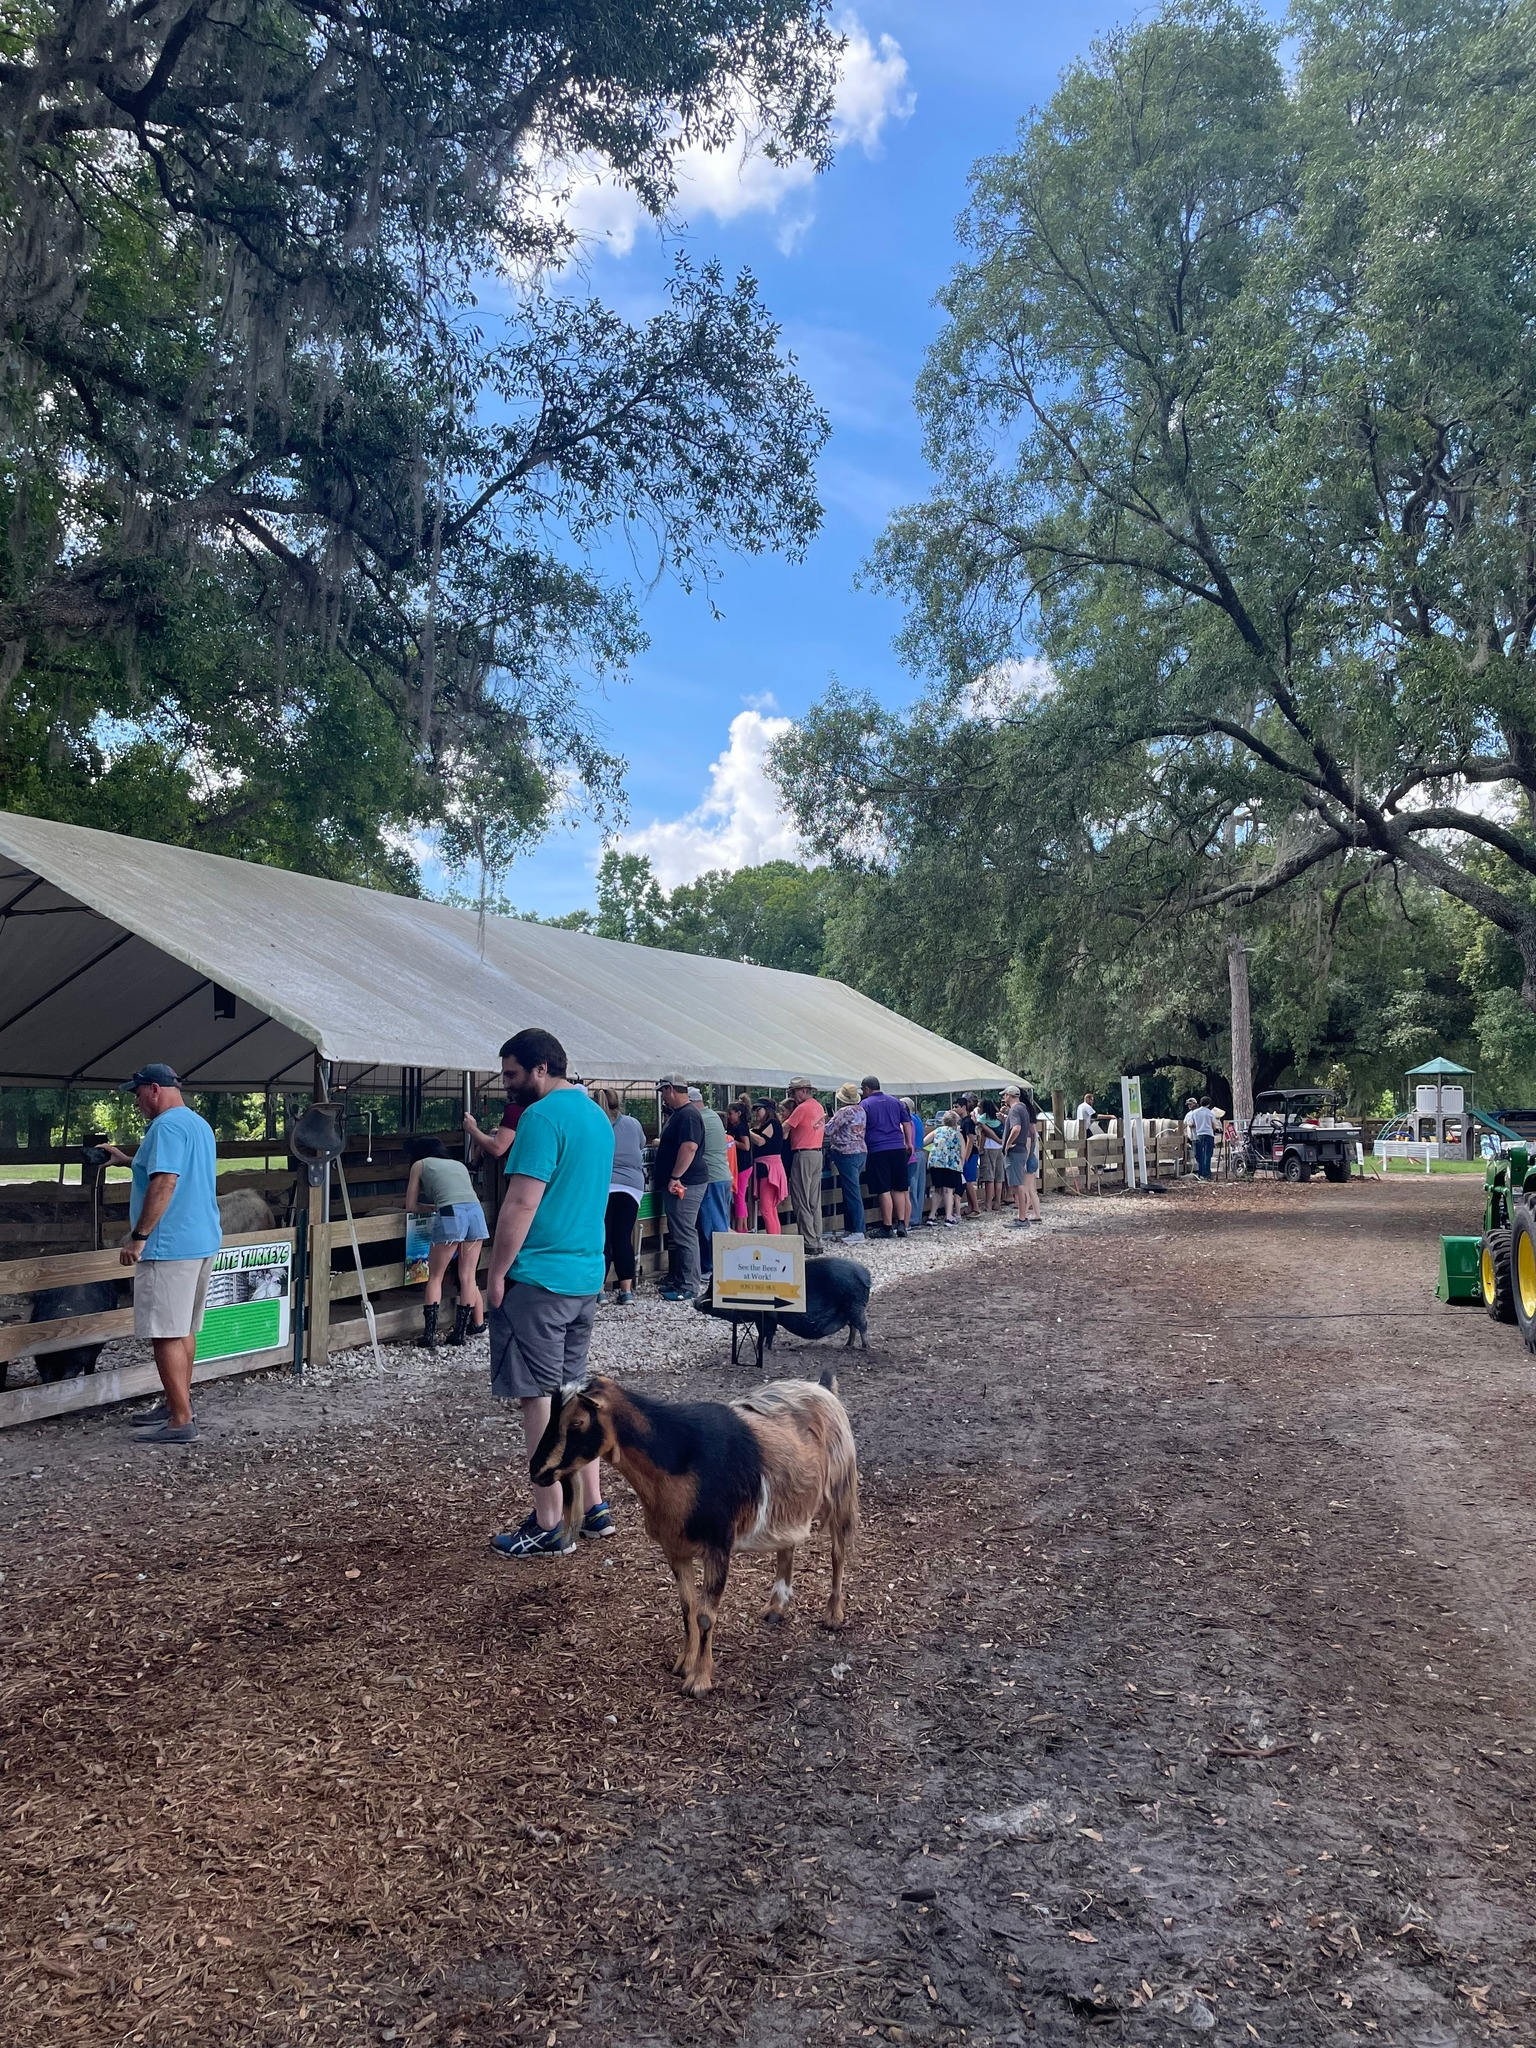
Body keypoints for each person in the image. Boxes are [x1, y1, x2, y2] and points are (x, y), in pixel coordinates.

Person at [486, 1028, 616, 1558]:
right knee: (571, 1391)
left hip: (539, 1277)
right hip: (585, 1273)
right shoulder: (597, 1117)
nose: (507, 1084)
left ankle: (550, 1522)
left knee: (538, 1397)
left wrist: (496, 1272)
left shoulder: (540, 1119)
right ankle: (593, 1507)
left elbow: (521, 1203)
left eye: (513, 1073)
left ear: (541, 1068)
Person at [105, 1064, 222, 1445]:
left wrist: (139, 1237)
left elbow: (166, 1181)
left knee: (164, 1332)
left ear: (154, 1089)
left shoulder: (165, 1126)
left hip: (169, 1245)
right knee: (183, 1328)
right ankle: (177, 1403)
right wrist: (128, 1161)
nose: (136, 1102)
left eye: (137, 1094)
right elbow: (172, 1169)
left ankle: (181, 1420)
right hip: (200, 1240)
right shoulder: (197, 1124)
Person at [404, 1135, 489, 1349]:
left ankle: (429, 1335)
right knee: (468, 1275)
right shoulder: (458, 1165)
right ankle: (460, 1334)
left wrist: (432, 1208)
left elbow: (410, 1206)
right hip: (476, 1213)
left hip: (451, 1213)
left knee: (435, 1276)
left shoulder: (419, 1165)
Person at [651, 1076, 708, 1300]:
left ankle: (689, 1285)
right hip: (683, 1181)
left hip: (686, 1183)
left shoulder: (688, 1115)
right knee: (679, 1232)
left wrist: (675, 1176)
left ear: (670, 1090)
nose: (663, 1098)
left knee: (685, 1233)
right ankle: (679, 1278)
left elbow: (690, 1147)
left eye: (663, 1092)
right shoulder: (681, 1114)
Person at [594, 1088, 645, 1306]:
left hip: (604, 1185)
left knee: (603, 1238)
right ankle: (626, 1291)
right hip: (632, 1187)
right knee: (623, 1237)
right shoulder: (633, 1123)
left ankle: (600, 1290)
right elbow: (641, 1144)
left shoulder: (596, 1124)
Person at [689, 1086, 734, 1279]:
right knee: (721, 1221)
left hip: (711, 1178)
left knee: (710, 1224)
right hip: (723, 1175)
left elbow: (689, 1146)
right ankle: (722, 1265)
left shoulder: (698, 1119)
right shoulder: (713, 1116)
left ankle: (713, 1267)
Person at [859, 1076, 913, 1238]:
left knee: (884, 1189)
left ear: (867, 1089)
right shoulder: (896, 1102)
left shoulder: (865, 1104)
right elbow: (907, 1123)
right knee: (899, 1187)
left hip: (877, 1149)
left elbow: (861, 1127)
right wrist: (908, 1142)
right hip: (898, 1147)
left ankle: (887, 1226)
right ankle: (902, 1223)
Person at [782, 1076, 827, 1254]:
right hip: (817, 1153)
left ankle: (808, 1241)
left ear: (802, 1091)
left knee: (801, 1199)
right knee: (814, 1200)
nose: (792, 1096)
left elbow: (784, 1129)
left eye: (793, 1093)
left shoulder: (802, 1108)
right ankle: (817, 1238)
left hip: (803, 1154)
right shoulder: (818, 1106)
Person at [825, 1083, 867, 1243]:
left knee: (852, 1193)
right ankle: (851, 1228)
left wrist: (825, 1120)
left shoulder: (844, 1111)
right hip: (860, 1151)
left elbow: (828, 1130)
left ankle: (858, 1230)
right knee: (851, 1190)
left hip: (846, 1153)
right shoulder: (861, 1110)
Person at [747, 1098, 789, 1235]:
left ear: (768, 1110)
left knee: (766, 1208)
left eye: (758, 1109)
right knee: (770, 1208)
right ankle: (776, 1238)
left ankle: (773, 1239)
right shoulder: (764, 1125)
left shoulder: (773, 1123)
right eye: (754, 1110)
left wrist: (746, 1131)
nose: (756, 1113)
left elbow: (761, 1141)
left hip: (769, 1168)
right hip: (764, 1167)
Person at [1001, 1084, 1034, 1228]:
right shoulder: (1023, 1109)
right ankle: (1022, 1216)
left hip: (1015, 1152)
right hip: (1021, 1150)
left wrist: (1007, 1144)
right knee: (1018, 1183)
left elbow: (1016, 1128)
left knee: (1017, 1185)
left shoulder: (1014, 1109)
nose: (1004, 1098)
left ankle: (1022, 1218)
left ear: (1009, 1095)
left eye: (1005, 1095)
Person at [928, 1110, 965, 1224]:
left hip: (935, 1162)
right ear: (956, 1122)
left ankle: (932, 1216)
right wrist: (961, 1166)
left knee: (937, 1189)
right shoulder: (957, 1134)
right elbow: (962, 1153)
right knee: (948, 1190)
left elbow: (923, 1142)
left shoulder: (937, 1131)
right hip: (951, 1164)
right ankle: (948, 1216)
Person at [464, 1090, 520, 1162]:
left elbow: (497, 1148)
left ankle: (474, 1164)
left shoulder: (515, 1109)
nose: (505, 1086)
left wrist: (472, 1128)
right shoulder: (528, 1107)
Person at [725, 1094, 755, 1228]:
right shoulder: (733, 1127)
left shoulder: (741, 1127)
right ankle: (743, 1225)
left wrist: (732, 1141)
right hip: (739, 1165)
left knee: (739, 1196)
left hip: (743, 1165)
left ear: (738, 1113)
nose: (729, 1116)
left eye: (731, 1114)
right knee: (739, 1196)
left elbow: (746, 1146)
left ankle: (741, 1227)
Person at [901, 1097, 928, 1226]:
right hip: (921, 1152)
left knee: (911, 1187)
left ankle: (911, 1218)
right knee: (919, 1188)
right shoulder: (917, 1118)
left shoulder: (908, 1120)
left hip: (913, 1154)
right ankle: (917, 1216)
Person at [976, 1098, 1005, 1213]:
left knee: (989, 1178)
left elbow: (979, 1125)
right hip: (999, 1149)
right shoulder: (998, 1117)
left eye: (979, 1106)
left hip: (988, 1148)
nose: (978, 1108)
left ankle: (988, 1204)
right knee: (999, 1177)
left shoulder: (983, 1118)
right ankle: (997, 1202)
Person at [1021, 1086, 1044, 1222]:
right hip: (1033, 1159)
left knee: (1026, 1189)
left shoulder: (1028, 1131)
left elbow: (1028, 1144)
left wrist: (1024, 1161)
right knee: (1032, 1189)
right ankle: (1036, 1213)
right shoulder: (1033, 1129)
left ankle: (1026, 1214)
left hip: (1028, 1160)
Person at [957, 1094, 981, 1216]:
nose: (954, 1109)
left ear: (963, 1107)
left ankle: (976, 1208)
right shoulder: (963, 1121)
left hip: (970, 1155)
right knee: (967, 1181)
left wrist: (965, 1157)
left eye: (956, 1106)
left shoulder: (968, 1122)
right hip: (968, 1154)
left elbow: (970, 1140)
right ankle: (971, 1207)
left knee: (969, 1182)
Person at [1192, 1096, 1218, 1181]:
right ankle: (1207, 1174)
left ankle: (1201, 1173)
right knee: (1208, 1154)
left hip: (1199, 1134)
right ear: (1208, 1104)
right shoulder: (1210, 1113)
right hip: (1208, 1134)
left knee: (1200, 1154)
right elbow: (1214, 1126)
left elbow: (1193, 1123)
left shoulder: (1195, 1112)